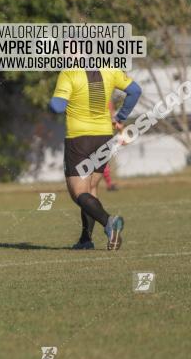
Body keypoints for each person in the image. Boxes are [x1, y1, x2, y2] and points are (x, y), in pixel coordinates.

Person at [49, 69, 141, 250]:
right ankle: (85, 240)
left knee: (78, 192)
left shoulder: (69, 73)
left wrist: (51, 103)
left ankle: (109, 222)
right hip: (104, 136)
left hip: (79, 138)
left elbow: (58, 106)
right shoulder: (109, 68)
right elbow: (135, 91)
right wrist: (120, 117)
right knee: (90, 189)